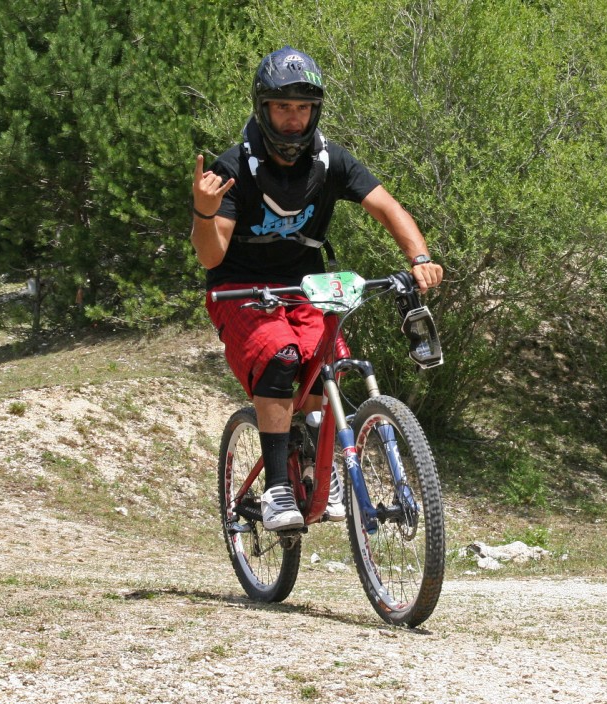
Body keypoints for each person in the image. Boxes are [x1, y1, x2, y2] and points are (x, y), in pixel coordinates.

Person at [190, 46, 443, 531]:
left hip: (305, 285)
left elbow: (388, 207)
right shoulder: (232, 168)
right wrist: (204, 210)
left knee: (330, 361)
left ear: (315, 111)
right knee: (280, 356)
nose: (293, 119)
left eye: (303, 107)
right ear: (263, 107)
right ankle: (277, 490)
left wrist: (420, 258)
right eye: (283, 107)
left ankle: (312, 465)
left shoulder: (330, 161)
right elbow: (210, 256)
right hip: (240, 289)